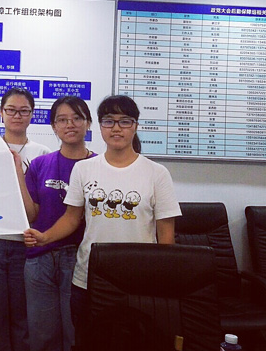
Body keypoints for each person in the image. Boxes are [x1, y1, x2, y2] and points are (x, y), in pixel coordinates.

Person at [24, 94, 180, 350]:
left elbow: (166, 235)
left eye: (124, 121)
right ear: (99, 125)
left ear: (135, 125)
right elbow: (71, 218)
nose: (116, 128)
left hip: (138, 280)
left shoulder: (157, 173)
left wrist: (162, 283)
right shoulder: (84, 169)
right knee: (89, 342)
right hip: (88, 278)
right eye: (109, 121)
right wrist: (45, 237)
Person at [15, 96, 95, 351]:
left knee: (76, 333)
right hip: (40, 258)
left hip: (81, 259)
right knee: (41, 335)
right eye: (62, 119)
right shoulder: (40, 164)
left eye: (77, 118)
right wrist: (17, 173)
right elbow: (32, 214)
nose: (70, 124)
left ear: (88, 123)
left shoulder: (99, 166)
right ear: (54, 126)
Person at [0, 87, 50, 351]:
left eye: (24, 111)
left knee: (24, 318)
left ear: (32, 115)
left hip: (27, 245)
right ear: (1, 113)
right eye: (11, 110)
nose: (17, 116)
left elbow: (42, 204)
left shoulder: (43, 153)